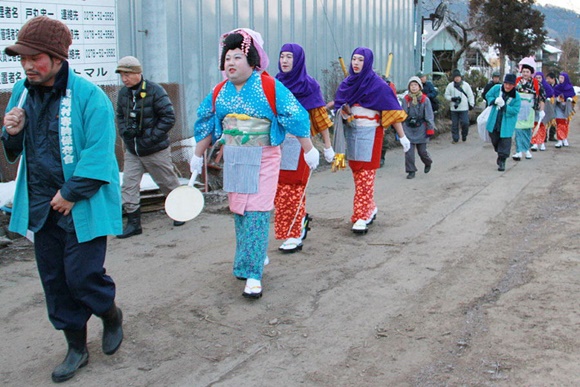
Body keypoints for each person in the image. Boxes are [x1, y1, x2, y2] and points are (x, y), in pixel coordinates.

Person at [1, 17, 123, 383]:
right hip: (41, 205)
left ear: (57, 57)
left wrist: (70, 195)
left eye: (35, 57)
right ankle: (76, 346)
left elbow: (101, 153)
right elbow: (15, 149)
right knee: (54, 280)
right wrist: (11, 133)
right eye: (22, 57)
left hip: (80, 203)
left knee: (82, 276)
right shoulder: (22, 93)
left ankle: (109, 313)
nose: (27, 65)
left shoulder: (90, 97)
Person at [191, 29, 319, 299]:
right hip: (235, 158)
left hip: (264, 157)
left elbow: (293, 115)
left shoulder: (270, 86)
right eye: (227, 58)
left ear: (252, 61)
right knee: (239, 210)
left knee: (258, 211)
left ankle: (253, 274)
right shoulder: (219, 91)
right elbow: (207, 124)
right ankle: (248, 260)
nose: (231, 63)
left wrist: (309, 149)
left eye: (238, 57)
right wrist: (196, 155)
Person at [334, 47, 410, 234]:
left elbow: (391, 112)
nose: (356, 63)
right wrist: (341, 112)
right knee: (358, 175)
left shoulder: (379, 86)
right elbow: (338, 106)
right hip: (352, 133)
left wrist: (403, 137)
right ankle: (369, 207)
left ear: (367, 62)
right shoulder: (347, 84)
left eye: (360, 60)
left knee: (365, 177)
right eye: (354, 59)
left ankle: (360, 215)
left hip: (372, 135)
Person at [115, 56, 184, 238]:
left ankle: (179, 211)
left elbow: (168, 117)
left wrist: (151, 138)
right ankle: (133, 223)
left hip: (155, 149)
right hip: (133, 150)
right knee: (128, 185)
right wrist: (125, 132)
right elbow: (120, 116)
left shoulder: (155, 91)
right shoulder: (123, 94)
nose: (124, 79)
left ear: (138, 73)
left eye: (127, 74)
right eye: (122, 75)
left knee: (167, 182)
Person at [274, 43, 334, 253]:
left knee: (293, 187)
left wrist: (327, 147)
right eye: (282, 56)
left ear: (298, 59)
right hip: (277, 144)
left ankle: (294, 233)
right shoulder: (275, 84)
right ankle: (299, 222)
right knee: (278, 189)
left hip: (300, 145)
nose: (284, 61)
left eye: (289, 57)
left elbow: (320, 118)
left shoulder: (309, 86)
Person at [484, 74, 521, 171]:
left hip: (507, 123)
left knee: (505, 142)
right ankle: (499, 153)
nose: (508, 86)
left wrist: (505, 106)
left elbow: (515, 110)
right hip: (494, 120)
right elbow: (488, 95)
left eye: (510, 84)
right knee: (495, 139)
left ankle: (502, 160)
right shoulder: (497, 88)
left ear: (514, 85)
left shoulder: (516, 96)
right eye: (506, 83)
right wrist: (494, 100)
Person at [401, 76, 435, 179]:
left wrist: (430, 128)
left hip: (421, 128)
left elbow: (429, 115)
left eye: (415, 85)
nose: (414, 87)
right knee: (409, 152)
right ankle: (411, 170)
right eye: (412, 85)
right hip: (408, 127)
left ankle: (427, 162)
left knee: (422, 151)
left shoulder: (425, 99)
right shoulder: (406, 99)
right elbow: (402, 114)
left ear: (420, 86)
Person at [513, 57, 545, 161]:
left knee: (527, 130)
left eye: (527, 72)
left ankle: (526, 149)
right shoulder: (517, 82)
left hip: (530, 109)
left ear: (531, 73)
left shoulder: (536, 84)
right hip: (518, 108)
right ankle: (518, 151)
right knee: (518, 130)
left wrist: (541, 110)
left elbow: (542, 97)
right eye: (524, 71)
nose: (525, 74)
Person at [444, 69, 475, 143]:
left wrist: (471, 104)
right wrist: (452, 99)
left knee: (465, 123)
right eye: (455, 77)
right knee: (454, 124)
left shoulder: (466, 85)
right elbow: (446, 95)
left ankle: (464, 134)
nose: (457, 78)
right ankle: (455, 138)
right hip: (454, 108)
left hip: (464, 108)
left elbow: (470, 95)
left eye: (458, 77)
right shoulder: (450, 85)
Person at [530, 71, 553, 151]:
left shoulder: (545, 86)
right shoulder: (531, 86)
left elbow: (550, 94)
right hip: (534, 108)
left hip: (543, 108)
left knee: (542, 126)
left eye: (540, 78)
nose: (538, 79)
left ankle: (542, 142)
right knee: (535, 125)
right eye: (536, 78)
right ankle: (535, 142)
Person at [553, 72, 577, 148]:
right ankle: (560, 139)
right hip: (558, 107)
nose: (560, 80)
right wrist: (557, 99)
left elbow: (574, 97)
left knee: (565, 123)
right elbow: (553, 96)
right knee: (560, 122)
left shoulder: (570, 88)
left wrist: (570, 99)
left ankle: (564, 138)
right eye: (559, 78)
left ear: (566, 79)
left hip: (567, 107)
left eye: (562, 78)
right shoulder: (557, 87)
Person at [545, 72, 559, 141]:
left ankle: (551, 135)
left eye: (548, 79)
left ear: (553, 79)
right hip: (547, 105)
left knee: (554, 121)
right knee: (546, 120)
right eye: (546, 78)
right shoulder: (546, 85)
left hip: (556, 105)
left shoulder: (558, 86)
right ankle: (544, 136)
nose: (547, 80)